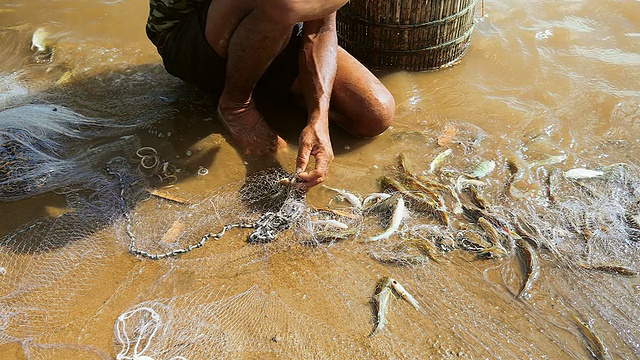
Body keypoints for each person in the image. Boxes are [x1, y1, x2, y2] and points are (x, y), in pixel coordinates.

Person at [146, 0, 395, 188]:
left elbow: (321, 28)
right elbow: (283, 6)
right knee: (283, 3)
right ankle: (235, 104)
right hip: (189, 38)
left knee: (374, 114)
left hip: (274, 22)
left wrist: (318, 118)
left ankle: (257, 72)